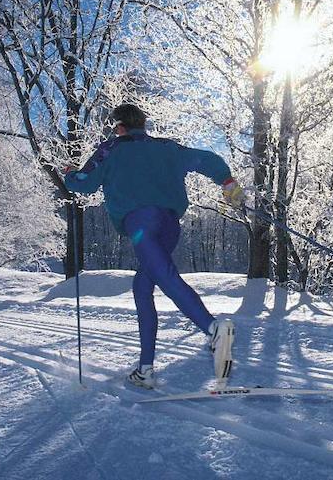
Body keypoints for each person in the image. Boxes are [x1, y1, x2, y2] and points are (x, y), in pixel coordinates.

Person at [65, 104, 246, 389]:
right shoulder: (167, 147)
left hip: (141, 223)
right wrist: (228, 182)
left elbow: (84, 184)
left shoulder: (110, 149)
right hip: (169, 225)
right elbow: (206, 160)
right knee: (143, 286)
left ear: (120, 127)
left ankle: (212, 329)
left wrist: (70, 174)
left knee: (165, 275)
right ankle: (145, 369)